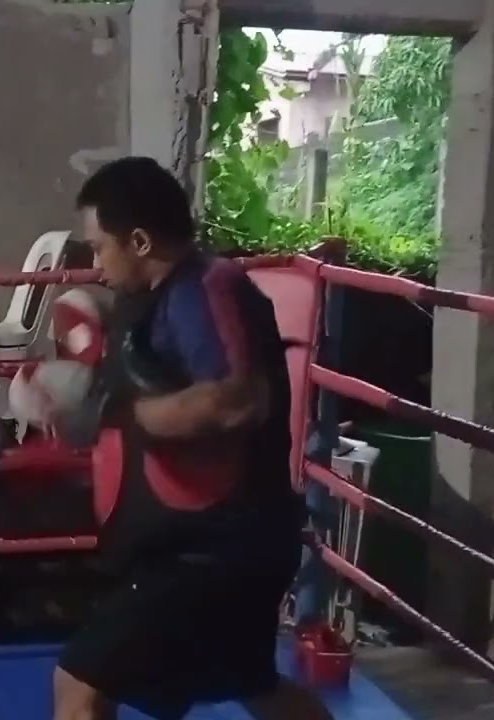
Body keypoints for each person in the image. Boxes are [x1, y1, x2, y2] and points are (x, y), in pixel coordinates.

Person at [50, 157, 334, 720]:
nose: (93, 262)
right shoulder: (156, 299)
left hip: (212, 552)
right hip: (204, 542)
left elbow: (237, 401)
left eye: (98, 246)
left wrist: (124, 416)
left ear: (137, 240)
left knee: (79, 685)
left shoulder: (205, 289)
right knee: (252, 684)